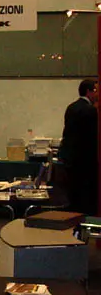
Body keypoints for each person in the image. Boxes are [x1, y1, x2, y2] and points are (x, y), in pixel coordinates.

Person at [59, 78, 99, 216]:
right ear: (89, 92)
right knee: (86, 198)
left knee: (74, 195)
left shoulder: (71, 107)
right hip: (85, 160)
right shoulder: (90, 110)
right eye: (96, 90)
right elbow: (92, 137)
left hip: (71, 158)